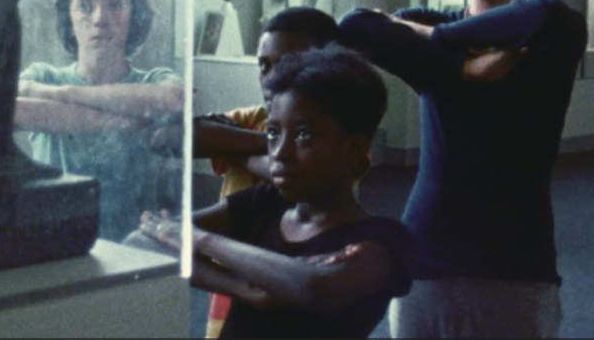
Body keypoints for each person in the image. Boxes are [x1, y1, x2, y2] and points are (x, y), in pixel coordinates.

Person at [338, 0, 588, 337]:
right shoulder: (435, 22)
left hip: (515, 265)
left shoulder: (553, 32)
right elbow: (353, 26)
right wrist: (463, 68)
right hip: (426, 258)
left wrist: (435, 43)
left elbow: (544, 14)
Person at [137, 45, 412, 338]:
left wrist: (197, 237)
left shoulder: (382, 240)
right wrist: (246, 289)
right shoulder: (263, 203)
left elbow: (312, 287)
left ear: (355, 148)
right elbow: (142, 242)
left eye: (304, 135)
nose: (280, 152)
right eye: (273, 133)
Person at [14, 0, 184, 241]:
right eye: (85, 4)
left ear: (134, 11)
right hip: (53, 252)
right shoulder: (43, 76)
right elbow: (8, 108)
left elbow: (173, 99)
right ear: (68, 13)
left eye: (115, 3)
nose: (100, 18)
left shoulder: (155, 79)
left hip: (133, 258)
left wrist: (66, 94)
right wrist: (126, 119)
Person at [191, 6, 343, 338]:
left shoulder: (338, 135)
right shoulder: (254, 117)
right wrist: (266, 141)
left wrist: (235, 151)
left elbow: (285, 174)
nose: (272, 79)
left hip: (296, 289)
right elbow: (186, 136)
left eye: (287, 64)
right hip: (233, 290)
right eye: (264, 65)